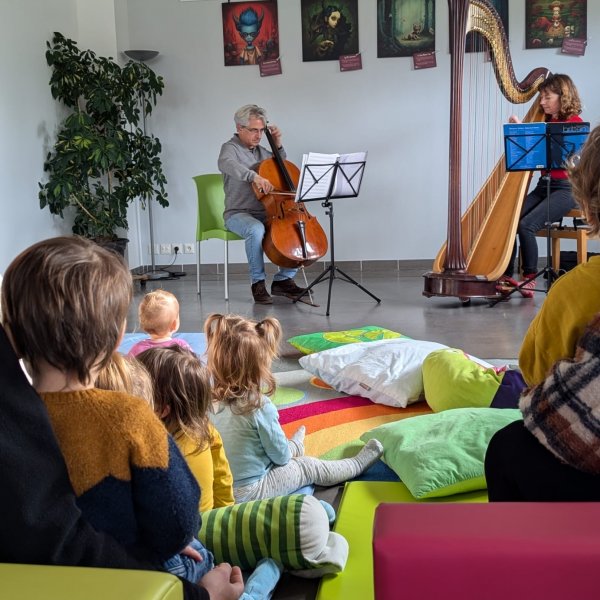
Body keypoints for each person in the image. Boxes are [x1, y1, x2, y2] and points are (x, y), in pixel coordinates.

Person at [0, 236, 244, 597]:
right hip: (141, 575)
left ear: (12, 333)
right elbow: (178, 521)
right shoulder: (127, 416)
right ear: (117, 338)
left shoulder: (15, 419)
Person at [98, 348, 281, 599]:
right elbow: (221, 480)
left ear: (162, 409)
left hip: (166, 549)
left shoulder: (112, 452)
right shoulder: (185, 440)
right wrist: (226, 517)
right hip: (190, 541)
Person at [485, 124, 600, 501]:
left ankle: (525, 552)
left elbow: (536, 374)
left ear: (588, 198)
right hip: (545, 188)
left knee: (508, 445)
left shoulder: (577, 289)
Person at [204, 313, 384, 502]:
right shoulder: (257, 406)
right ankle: (355, 465)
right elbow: (281, 458)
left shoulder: (203, 401)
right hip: (249, 491)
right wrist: (293, 447)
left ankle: (296, 446)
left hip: (214, 489)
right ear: (259, 366)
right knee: (307, 467)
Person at [499, 73, 583, 298]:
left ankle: (529, 278)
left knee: (526, 225)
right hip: (544, 186)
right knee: (509, 220)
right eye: (541, 98)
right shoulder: (547, 123)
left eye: (547, 97)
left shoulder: (575, 125)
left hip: (566, 189)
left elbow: (576, 165)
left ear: (562, 97)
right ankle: (505, 274)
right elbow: (533, 158)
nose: (542, 102)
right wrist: (522, 133)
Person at [218, 104, 307, 304]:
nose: (258, 135)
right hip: (238, 214)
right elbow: (226, 164)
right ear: (240, 128)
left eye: (261, 130)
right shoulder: (229, 149)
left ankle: (283, 280)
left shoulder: (262, 151)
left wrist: (277, 144)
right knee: (256, 230)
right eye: (253, 130)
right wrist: (253, 177)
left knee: (296, 227)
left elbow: (281, 166)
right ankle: (258, 284)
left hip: (268, 212)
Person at [136, 345, 235, 513]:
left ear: (160, 410)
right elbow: (222, 481)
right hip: (209, 523)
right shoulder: (206, 430)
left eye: (137, 390)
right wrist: (222, 519)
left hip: (183, 533)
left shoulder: (156, 452)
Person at [128, 289, 193, 357]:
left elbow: (127, 367)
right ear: (174, 324)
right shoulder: (181, 347)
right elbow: (193, 365)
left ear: (143, 324)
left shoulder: (136, 350)